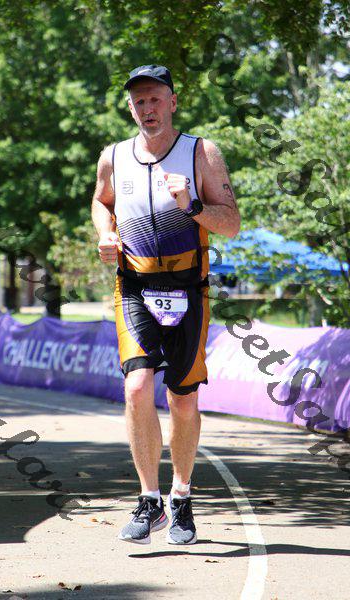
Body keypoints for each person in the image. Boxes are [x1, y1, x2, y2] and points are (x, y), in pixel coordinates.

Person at [92, 64, 240, 545]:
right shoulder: (114, 156)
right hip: (134, 284)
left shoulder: (201, 153)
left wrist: (192, 205)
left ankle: (181, 496)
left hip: (188, 285)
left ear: (173, 102)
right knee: (137, 386)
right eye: (139, 101)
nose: (147, 108)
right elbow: (101, 201)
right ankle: (149, 499)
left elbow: (231, 223)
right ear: (129, 107)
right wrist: (106, 234)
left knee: (183, 397)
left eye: (155, 98)